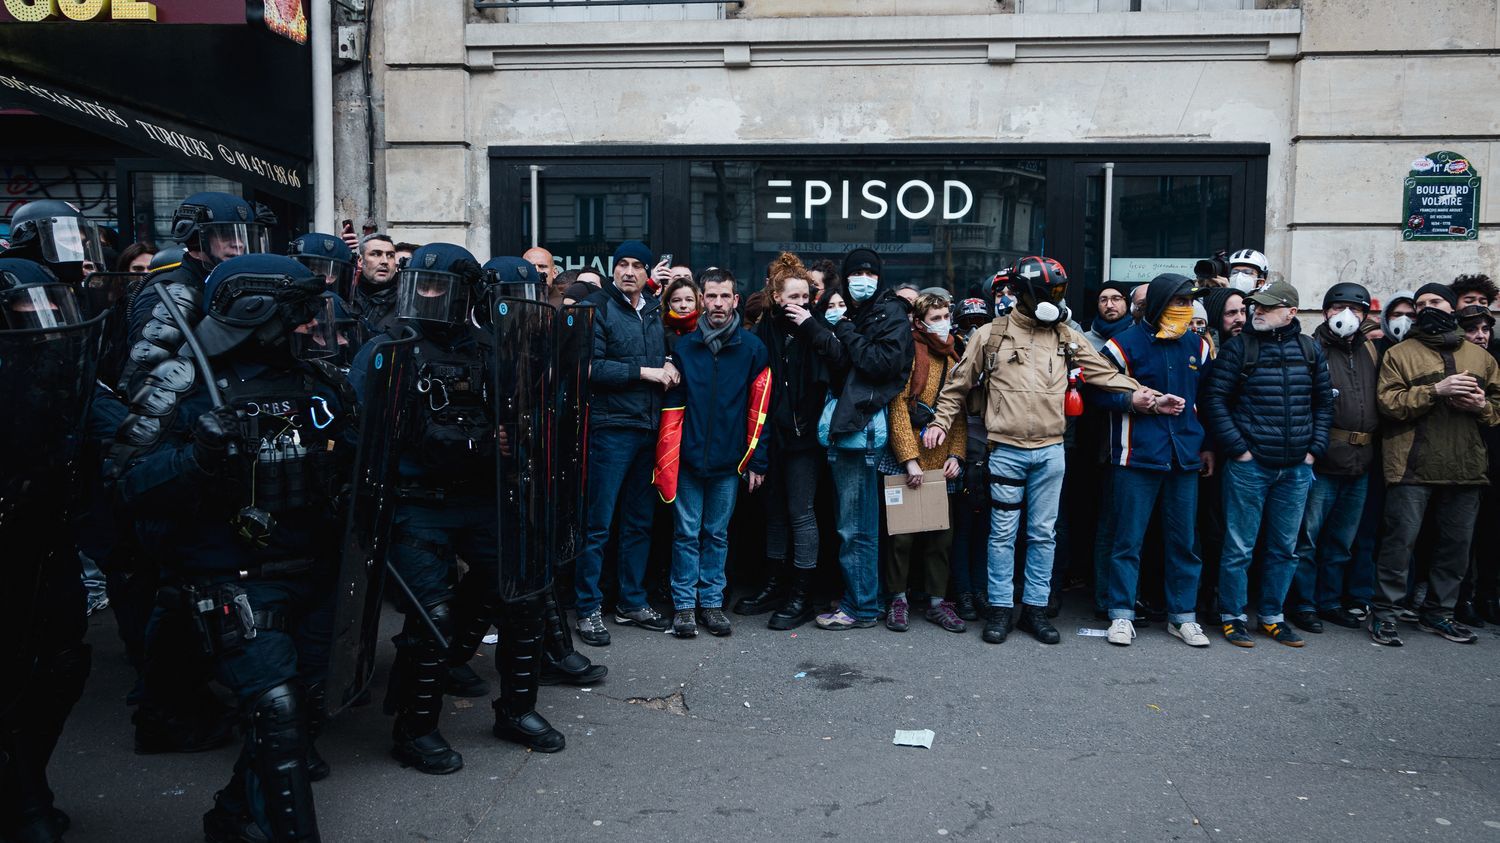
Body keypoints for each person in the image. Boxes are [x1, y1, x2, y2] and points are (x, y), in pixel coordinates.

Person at [111, 254, 345, 841]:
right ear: (256, 314)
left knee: (303, 711)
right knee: (278, 710)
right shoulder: (182, 386)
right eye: (298, 315)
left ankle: (235, 817)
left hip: (314, 573)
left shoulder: (319, 382)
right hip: (233, 575)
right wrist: (197, 457)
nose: (309, 327)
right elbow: (129, 484)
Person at [928, 256, 1160, 645]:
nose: (1054, 300)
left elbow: (1101, 371)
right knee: (1002, 534)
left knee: (1042, 534)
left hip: (1052, 451)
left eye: (1058, 292)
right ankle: (1001, 610)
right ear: (1023, 293)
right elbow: (956, 387)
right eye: (1047, 293)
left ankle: (1034, 610)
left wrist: (1139, 391)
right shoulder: (990, 334)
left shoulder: (1066, 334)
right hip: (1005, 450)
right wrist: (938, 422)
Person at [0, 258, 102, 843]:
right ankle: (24, 798)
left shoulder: (63, 369)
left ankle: (29, 783)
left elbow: (113, 424)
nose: (41, 323)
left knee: (61, 663)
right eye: (24, 311)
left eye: (49, 309)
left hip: (47, 538)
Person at [1201, 280, 1334, 648]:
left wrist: (1313, 452)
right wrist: (1239, 450)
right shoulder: (1239, 349)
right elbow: (1214, 400)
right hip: (1250, 467)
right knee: (1239, 546)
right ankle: (1234, 616)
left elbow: (1324, 403)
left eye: (1266, 307)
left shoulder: (1310, 350)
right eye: (1254, 305)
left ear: (1291, 312)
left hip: (1295, 469)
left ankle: (1273, 616)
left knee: (1284, 548)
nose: (1256, 312)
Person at [1369, 283, 1500, 646]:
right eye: (1421, 303)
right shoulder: (1400, 354)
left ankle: (1439, 613)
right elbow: (1388, 404)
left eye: (1436, 302)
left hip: (1466, 466)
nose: (1428, 308)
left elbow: (1497, 409)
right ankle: (1385, 614)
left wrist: (1480, 407)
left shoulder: (1481, 357)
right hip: (1411, 463)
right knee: (1400, 543)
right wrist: (1435, 391)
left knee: (1456, 546)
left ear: (1451, 308)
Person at [1094, 273, 1213, 647]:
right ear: (1161, 304)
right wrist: (1132, 401)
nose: (1187, 308)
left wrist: (1207, 445)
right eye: (1180, 302)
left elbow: (1208, 401)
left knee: (1184, 542)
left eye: (1190, 302)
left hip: (1184, 457)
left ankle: (1182, 617)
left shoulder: (1199, 346)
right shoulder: (1120, 345)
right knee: (1127, 540)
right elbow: (1095, 391)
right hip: (1137, 455)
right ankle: (1121, 614)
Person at [655, 267, 771, 637]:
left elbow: (763, 408)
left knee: (717, 534)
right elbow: (672, 408)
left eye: (725, 296)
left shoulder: (752, 348)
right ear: (701, 299)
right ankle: (685, 606)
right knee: (686, 533)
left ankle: (711, 604)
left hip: (729, 459)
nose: (718, 303)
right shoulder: (684, 347)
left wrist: (757, 458)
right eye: (712, 296)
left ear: (736, 300)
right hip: (689, 458)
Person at [574, 240, 678, 645]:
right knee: (597, 524)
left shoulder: (651, 308)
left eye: (637, 265)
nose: (629, 271)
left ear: (647, 272)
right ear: (613, 269)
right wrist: (647, 372)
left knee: (639, 521)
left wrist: (668, 362)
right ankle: (587, 608)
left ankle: (631, 601)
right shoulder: (598, 307)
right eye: (623, 264)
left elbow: (658, 353)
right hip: (611, 427)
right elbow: (590, 366)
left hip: (648, 428)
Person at [741, 253, 843, 630]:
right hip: (774, 432)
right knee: (774, 513)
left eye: (806, 297)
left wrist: (811, 327)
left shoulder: (818, 328)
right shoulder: (764, 329)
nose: (800, 304)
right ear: (776, 296)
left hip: (806, 436)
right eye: (793, 298)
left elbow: (839, 361)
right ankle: (774, 583)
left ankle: (801, 592)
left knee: (801, 511)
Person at [815, 248, 914, 630]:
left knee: (856, 525)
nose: (863, 278)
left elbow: (878, 364)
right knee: (852, 523)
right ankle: (861, 597)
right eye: (855, 271)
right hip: (851, 427)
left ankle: (862, 607)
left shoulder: (887, 313)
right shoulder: (858, 312)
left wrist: (843, 328)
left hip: (862, 431)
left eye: (870, 272)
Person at [1287, 283, 1380, 634]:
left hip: (1361, 461)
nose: (1347, 316)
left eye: (1356, 310)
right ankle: (1304, 603)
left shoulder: (1371, 351)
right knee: (1307, 538)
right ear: (1325, 311)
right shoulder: (1311, 348)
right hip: (1323, 460)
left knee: (1341, 540)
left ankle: (1329, 601)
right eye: (1339, 307)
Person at [882, 292, 967, 633]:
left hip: (941, 458)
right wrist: (909, 459)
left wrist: (957, 454)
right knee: (900, 537)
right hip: (907, 459)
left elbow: (957, 409)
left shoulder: (953, 356)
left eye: (945, 315)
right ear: (918, 322)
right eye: (935, 317)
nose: (942, 322)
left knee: (940, 537)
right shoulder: (909, 353)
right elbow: (897, 407)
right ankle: (897, 599)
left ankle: (936, 601)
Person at [349, 233, 401, 335]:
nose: (385, 261)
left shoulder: (405, 303)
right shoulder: (348, 296)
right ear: (360, 260)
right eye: (376, 254)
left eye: (390, 255)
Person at [1083, 281, 1132, 351]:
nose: (1109, 305)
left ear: (1126, 302)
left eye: (1116, 299)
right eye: (1103, 300)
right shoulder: (1084, 341)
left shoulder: (1138, 335)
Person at [661, 275, 701, 353]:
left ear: (697, 303)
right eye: (676, 300)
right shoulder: (658, 330)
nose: (683, 305)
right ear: (668, 303)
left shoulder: (706, 329)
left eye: (689, 300)